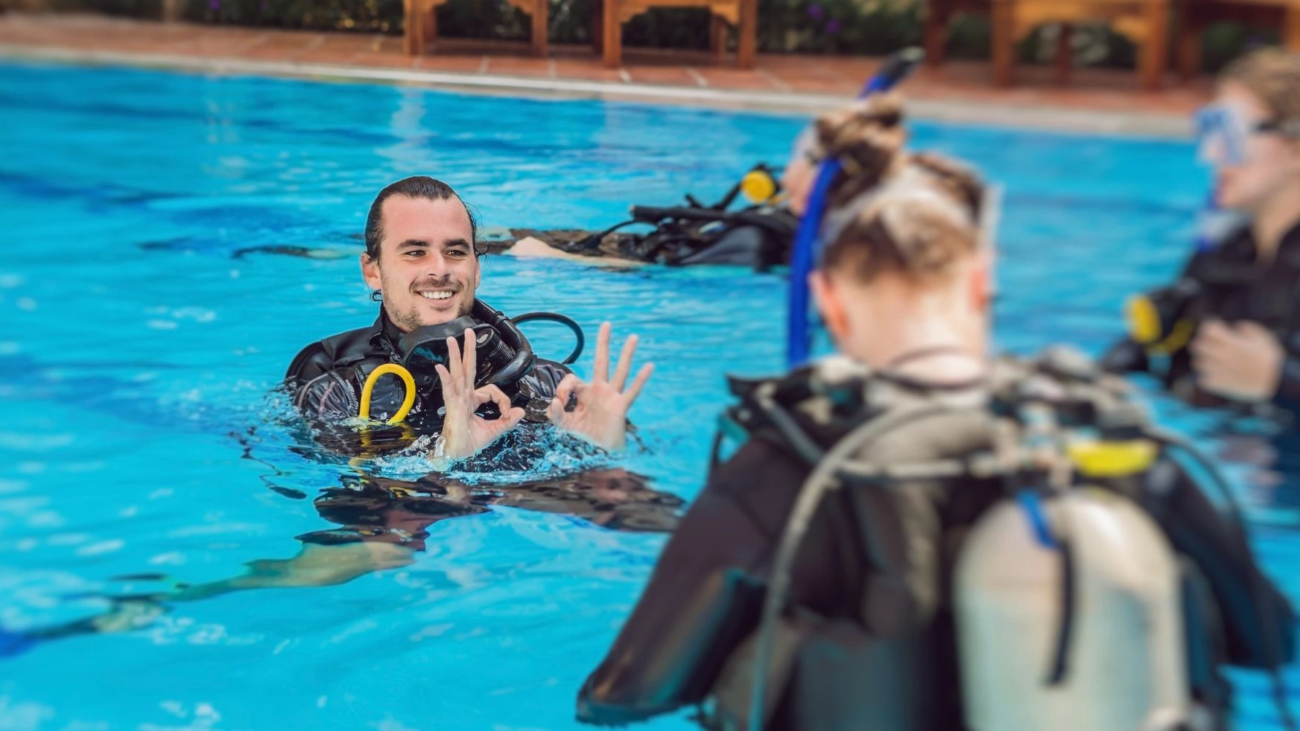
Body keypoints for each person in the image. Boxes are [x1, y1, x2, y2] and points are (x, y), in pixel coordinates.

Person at [576, 96, 1295, 730]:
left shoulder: (787, 464)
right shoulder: (1108, 437)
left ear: (828, 301)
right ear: (982, 286)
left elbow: (622, 695)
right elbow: (1270, 642)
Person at [284, 176, 653, 462]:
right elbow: (358, 509)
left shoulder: (547, 383)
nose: (440, 270)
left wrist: (605, 454)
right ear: (373, 271)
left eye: (456, 251)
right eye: (415, 252)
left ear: (476, 268)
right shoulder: (337, 388)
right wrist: (443, 459)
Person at [1103, 49, 1300, 418]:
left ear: (1295, 148)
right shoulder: (1226, 253)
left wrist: (1278, 383)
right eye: (1209, 129)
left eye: (1230, 132)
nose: (1210, 154)